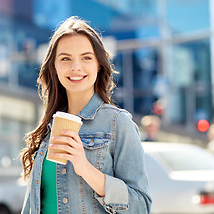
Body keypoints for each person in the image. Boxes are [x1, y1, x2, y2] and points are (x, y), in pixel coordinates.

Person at [19, 16, 151, 214]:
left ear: (98, 64)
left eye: (86, 57)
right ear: (54, 67)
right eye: (65, 59)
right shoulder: (48, 128)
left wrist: (85, 168)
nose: (75, 67)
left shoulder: (117, 123)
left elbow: (141, 207)